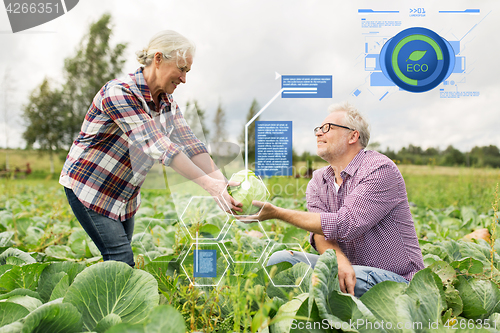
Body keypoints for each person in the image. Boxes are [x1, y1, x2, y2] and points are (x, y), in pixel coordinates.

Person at [60, 30, 242, 267]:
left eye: (188, 71)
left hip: (124, 194)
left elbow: (191, 145)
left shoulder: (167, 104)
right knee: (120, 259)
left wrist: (221, 182)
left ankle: (115, 302)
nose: (184, 79)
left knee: (120, 262)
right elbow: (159, 146)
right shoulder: (119, 92)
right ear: (158, 59)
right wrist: (209, 186)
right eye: (181, 68)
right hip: (90, 187)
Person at [238, 102, 424, 297]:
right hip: (350, 271)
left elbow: (345, 224)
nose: (319, 133)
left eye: (327, 128)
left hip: (398, 281)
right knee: (281, 261)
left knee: (331, 280)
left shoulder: (379, 169)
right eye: (318, 129)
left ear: (353, 135)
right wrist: (340, 260)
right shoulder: (318, 180)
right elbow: (321, 233)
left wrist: (277, 213)